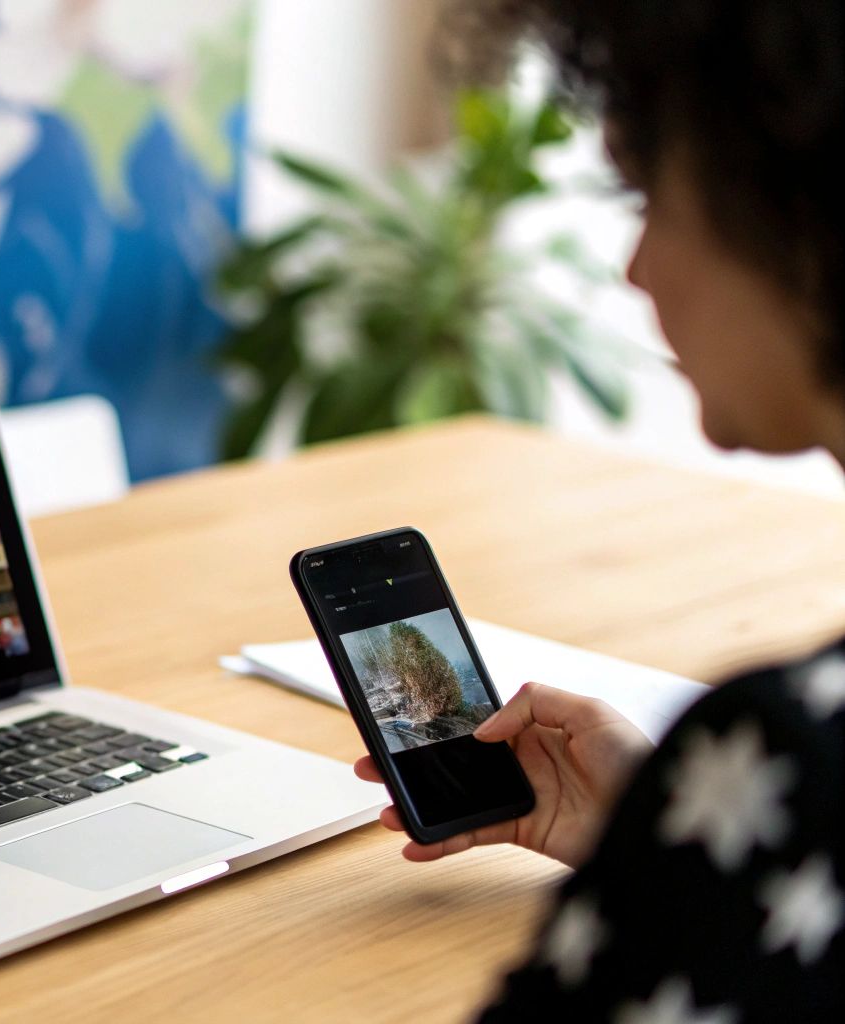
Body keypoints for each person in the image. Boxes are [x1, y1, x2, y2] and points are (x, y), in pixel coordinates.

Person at [355, 3, 845, 1018]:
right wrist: (666, 837)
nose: (633, 267)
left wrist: (712, 826)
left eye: (645, 197)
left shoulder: (790, 756)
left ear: (791, 203)